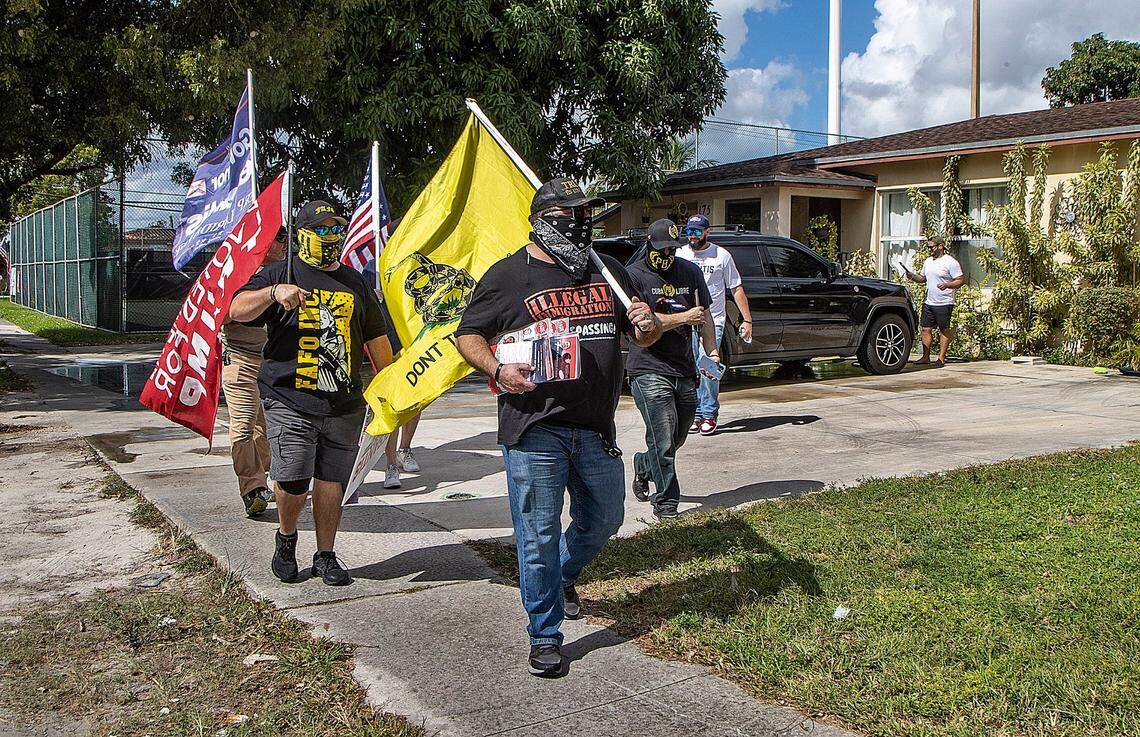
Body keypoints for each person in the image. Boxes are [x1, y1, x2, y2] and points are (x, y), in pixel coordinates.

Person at [455, 177, 661, 678]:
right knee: (537, 535)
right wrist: (498, 371)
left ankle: (563, 576)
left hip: (594, 425)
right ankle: (545, 634)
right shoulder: (508, 276)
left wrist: (647, 323)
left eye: (587, 213)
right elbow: (467, 334)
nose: (584, 222)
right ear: (546, 220)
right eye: (573, 214)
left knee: (607, 518)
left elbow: (646, 334)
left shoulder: (607, 271)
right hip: (534, 428)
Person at [228, 200, 393, 587]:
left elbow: (376, 338)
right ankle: (286, 538)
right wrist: (273, 293)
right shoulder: (280, 273)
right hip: (289, 398)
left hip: (344, 402)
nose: (329, 235)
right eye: (320, 228)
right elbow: (237, 309)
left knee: (331, 481)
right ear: (301, 233)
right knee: (293, 479)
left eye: (336, 227)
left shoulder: (355, 282)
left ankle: (326, 554)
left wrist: (392, 384)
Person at [626, 219, 719, 519]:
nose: (667, 255)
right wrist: (682, 318)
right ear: (649, 245)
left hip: (684, 368)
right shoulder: (634, 276)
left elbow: (703, 318)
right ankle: (666, 503)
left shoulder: (689, 272)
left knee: (675, 438)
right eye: (661, 249)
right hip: (648, 367)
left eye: (672, 249)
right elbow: (643, 325)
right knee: (663, 439)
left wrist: (712, 353)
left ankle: (643, 464)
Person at [220, 227, 286, 517]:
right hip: (241, 361)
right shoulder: (235, 274)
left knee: (266, 429)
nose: (286, 244)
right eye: (280, 238)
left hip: (274, 363)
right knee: (244, 426)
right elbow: (221, 314)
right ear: (264, 242)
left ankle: (263, 475)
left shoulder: (285, 273)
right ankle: (252, 489)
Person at [677, 214, 753, 436]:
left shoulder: (721, 256)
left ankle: (709, 413)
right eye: (689, 231)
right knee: (691, 370)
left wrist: (747, 319)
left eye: (697, 231)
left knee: (709, 367)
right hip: (686, 321)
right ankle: (695, 414)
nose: (692, 236)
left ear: (707, 232)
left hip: (714, 320)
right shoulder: (680, 254)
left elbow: (736, 288)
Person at [901, 236, 964, 365]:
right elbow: (923, 278)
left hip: (944, 302)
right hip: (929, 301)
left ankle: (941, 358)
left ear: (941, 246)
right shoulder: (928, 261)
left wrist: (947, 285)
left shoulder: (950, 262)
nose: (929, 250)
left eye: (932, 247)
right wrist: (912, 276)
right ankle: (925, 357)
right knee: (925, 328)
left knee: (943, 329)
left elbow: (960, 280)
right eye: (928, 247)